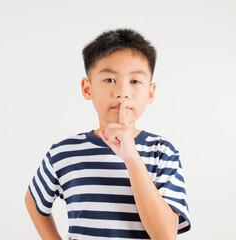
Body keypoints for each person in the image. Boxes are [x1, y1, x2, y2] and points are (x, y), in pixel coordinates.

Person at [24, 28, 191, 240]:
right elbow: (33, 200)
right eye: (109, 80)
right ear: (87, 89)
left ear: (150, 93)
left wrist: (131, 158)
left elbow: (166, 236)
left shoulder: (162, 152)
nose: (122, 91)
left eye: (135, 81)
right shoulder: (64, 152)